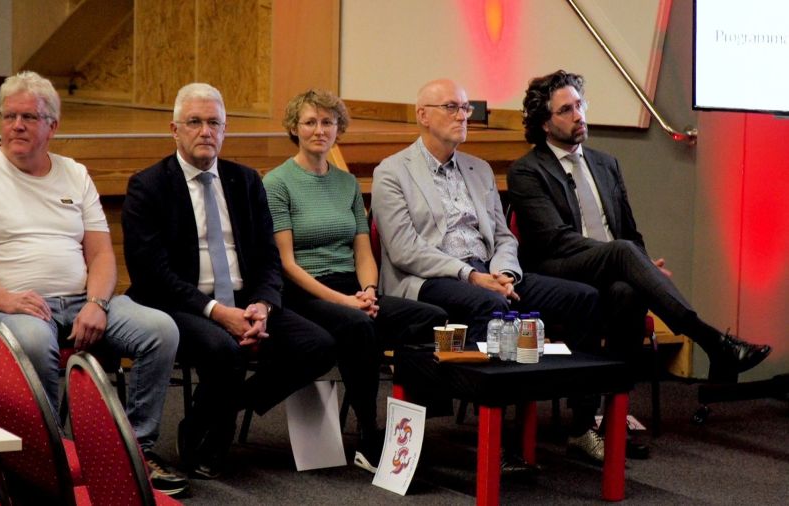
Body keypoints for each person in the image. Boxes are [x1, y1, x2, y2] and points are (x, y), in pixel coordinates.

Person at [0, 71, 187, 496]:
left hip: (79, 300)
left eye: (29, 117)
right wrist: (5, 299)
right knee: (34, 341)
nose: (17, 125)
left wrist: (97, 303)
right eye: (10, 116)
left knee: (161, 330)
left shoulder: (75, 173)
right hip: (4, 308)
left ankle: (135, 453)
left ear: (52, 125)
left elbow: (101, 254)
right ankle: (45, 461)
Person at [371, 78, 608, 465]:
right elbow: (405, 250)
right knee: (491, 308)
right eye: (452, 107)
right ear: (423, 115)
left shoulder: (478, 169)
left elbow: (502, 236)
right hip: (429, 279)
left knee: (583, 298)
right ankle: (495, 439)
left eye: (466, 108)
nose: (462, 116)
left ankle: (582, 425)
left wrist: (505, 274)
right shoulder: (393, 172)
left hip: (491, 273)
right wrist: (471, 276)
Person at [121, 83, 335, 479]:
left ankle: (220, 409)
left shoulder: (246, 181)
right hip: (181, 304)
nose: (205, 131)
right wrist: (218, 313)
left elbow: (268, 258)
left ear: (225, 129)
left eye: (214, 123)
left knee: (317, 345)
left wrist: (262, 306)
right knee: (225, 351)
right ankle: (208, 439)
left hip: (245, 300)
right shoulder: (148, 186)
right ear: (174, 130)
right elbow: (152, 275)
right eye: (195, 122)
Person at [507, 70, 771, 382]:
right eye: (566, 110)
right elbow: (556, 239)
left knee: (628, 292)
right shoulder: (527, 171)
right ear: (544, 123)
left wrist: (638, 265)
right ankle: (713, 342)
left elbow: (629, 233)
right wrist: (626, 260)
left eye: (579, 105)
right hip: (558, 268)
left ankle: (613, 397)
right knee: (623, 252)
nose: (578, 116)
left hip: (612, 266)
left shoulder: (606, 164)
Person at [263, 89, 447, 473]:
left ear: (338, 129)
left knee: (430, 316)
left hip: (351, 287)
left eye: (328, 122)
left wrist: (367, 291)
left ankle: (410, 424)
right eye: (310, 122)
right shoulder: (277, 183)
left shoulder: (347, 184)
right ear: (294, 129)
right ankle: (369, 434)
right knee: (359, 326)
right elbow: (287, 264)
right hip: (302, 292)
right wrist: (347, 302)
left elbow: (363, 252)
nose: (319, 130)